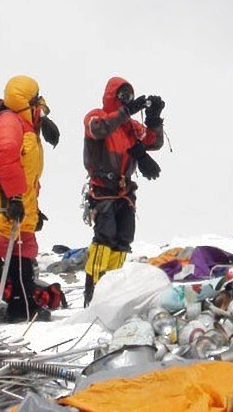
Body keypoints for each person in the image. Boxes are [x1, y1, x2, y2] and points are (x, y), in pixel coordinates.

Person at [0, 75, 60, 328]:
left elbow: (26, 170)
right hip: (3, 200)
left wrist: (32, 207)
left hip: (21, 200)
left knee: (23, 252)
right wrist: (15, 198)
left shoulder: (24, 123)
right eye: (35, 99)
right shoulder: (9, 123)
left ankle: (22, 306)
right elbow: (6, 160)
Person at [82, 77, 164, 306]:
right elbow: (99, 130)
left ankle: (111, 287)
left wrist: (154, 118)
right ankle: (94, 288)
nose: (126, 99)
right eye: (122, 94)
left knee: (123, 238)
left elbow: (153, 141)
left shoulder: (130, 126)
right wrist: (127, 111)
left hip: (124, 189)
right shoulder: (95, 117)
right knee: (104, 238)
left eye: (129, 95)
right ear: (111, 95)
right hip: (102, 189)